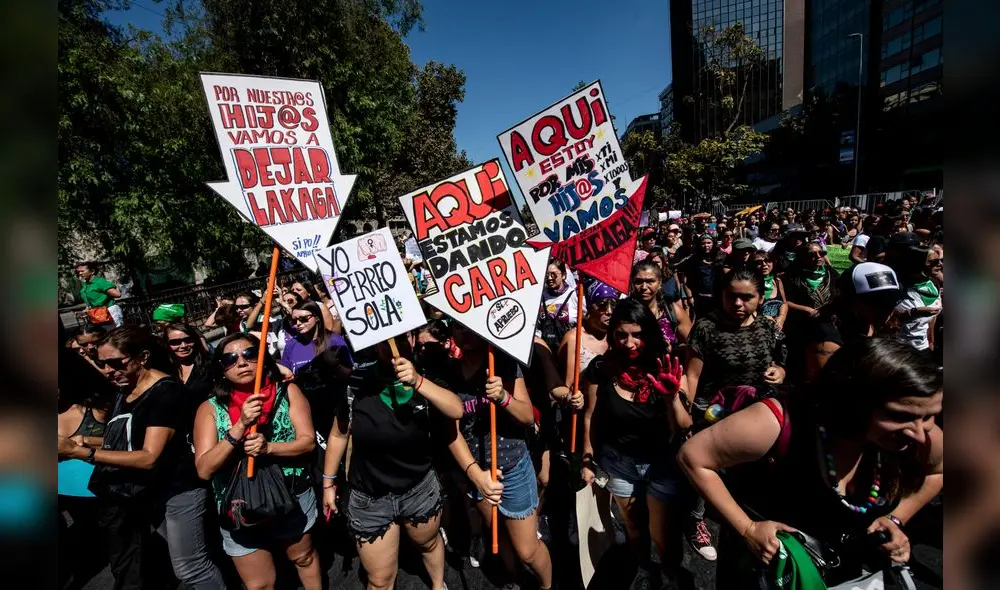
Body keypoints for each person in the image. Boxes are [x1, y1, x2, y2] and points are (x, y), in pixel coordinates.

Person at [678, 338, 943, 588]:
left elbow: (940, 469)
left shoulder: (916, 433)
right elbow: (693, 457)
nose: (920, 433)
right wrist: (748, 528)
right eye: (900, 415)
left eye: (930, 416)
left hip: (842, 572)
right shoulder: (776, 421)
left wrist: (896, 518)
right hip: (768, 569)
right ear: (854, 401)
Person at [58, 327, 225, 589]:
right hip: (150, 492)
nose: (109, 371)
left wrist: (81, 452)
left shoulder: (165, 393)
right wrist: (83, 440)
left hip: (179, 491)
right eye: (103, 364)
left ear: (143, 357)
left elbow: (149, 456)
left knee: (191, 568)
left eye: (116, 363)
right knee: (193, 555)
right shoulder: (124, 390)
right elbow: (127, 440)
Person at [322, 331, 463, 590]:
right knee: (379, 580)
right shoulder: (357, 381)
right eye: (385, 341)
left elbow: (456, 409)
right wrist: (328, 482)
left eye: (401, 338)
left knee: (428, 544)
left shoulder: (427, 374)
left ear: (411, 339)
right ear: (375, 346)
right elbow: (339, 433)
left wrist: (419, 381)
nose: (393, 346)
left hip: (419, 488)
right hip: (369, 498)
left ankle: (437, 584)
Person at [428, 323, 553, 589]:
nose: (465, 333)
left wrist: (504, 397)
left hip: (514, 467)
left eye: (470, 327)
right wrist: (475, 474)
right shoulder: (447, 373)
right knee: (500, 536)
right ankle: (516, 581)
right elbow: (452, 433)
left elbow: (528, 416)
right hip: (478, 473)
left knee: (528, 550)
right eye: (459, 327)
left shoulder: (503, 364)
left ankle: (546, 585)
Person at [192, 332, 321, 590]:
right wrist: (239, 427)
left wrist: (269, 447)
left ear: (263, 358)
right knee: (260, 583)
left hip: (291, 493)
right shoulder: (209, 408)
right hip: (238, 505)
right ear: (221, 369)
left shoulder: (288, 392)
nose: (241, 362)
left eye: (250, 354)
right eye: (230, 359)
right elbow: (204, 469)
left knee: (303, 557)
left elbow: (307, 442)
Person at [579, 299, 691, 588]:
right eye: (621, 334)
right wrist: (587, 457)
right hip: (619, 463)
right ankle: (644, 567)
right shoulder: (601, 368)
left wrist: (671, 397)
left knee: (663, 533)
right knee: (634, 527)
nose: (630, 343)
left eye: (637, 334)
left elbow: (683, 426)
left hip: (662, 463)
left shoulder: (664, 365)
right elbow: (590, 416)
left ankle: (669, 572)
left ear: (649, 334)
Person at [804, 262, 905, 381]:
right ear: (850, 301)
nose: (887, 309)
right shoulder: (827, 339)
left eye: (892, 300)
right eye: (877, 301)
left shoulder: (876, 323)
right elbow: (826, 390)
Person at [631, 260, 693, 348]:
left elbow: (692, 346)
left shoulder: (673, 311)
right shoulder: (623, 311)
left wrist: (674, 349)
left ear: (660, 283)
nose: (644, 287)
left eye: (650, 281)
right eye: (638, 281)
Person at [892, 246, 943, 351]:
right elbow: (888, 322)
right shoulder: (899, 288)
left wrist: (931, 343)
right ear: (917, 263)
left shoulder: (933, 284)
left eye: (939, 261)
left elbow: (931, 320)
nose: (940, 264)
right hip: (900, 349)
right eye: (933, 262)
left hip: (923, 348)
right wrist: (914, 312)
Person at [281, 300, 350, 374]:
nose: (298, 323)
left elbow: (349, 372)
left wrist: (336, 366)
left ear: (317, 317)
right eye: (294, 321)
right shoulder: (291, 345)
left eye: (303, 319)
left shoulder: (335, 340)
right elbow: (286, 375)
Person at [163, 323, 214, 407]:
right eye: (175, 342)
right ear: (167, 344)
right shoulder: (164, 369)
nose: (183, 346)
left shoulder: (210, 363)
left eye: (188, 340)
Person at [538, 260, 577, 351]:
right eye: (547, 275)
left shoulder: (574, 295)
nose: (549, 278)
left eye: (553, 274)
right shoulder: (540, 296)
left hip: (569, 349)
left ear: (563, 275)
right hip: (546, 350)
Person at [681, 234, 724, 317]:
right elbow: (686, 279)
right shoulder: (694, 259)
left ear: (713, 243)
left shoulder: (721, 257)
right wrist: (690, 297)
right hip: (700, 299)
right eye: (703, 243)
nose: (706, 245)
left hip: (718, 299)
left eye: (709, 243)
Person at [77, 262, 124, 328]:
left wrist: (101, 302)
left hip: (109, 311)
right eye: (78, 272)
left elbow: (117, 294)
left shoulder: (100, 282)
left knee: (116, 335)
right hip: (97, 313)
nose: (80, 273)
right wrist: (88, 309)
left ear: (92, 271)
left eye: (82, 271)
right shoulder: (86, 285)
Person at [753, 250, 787, 331]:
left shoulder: (777, 280)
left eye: (768, 261)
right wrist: (762, 317)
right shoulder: (751, 283)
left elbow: (784, 303)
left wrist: (782, 317)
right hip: (758, 329)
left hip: (776, 328)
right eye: (759, 262)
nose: (764, 265)